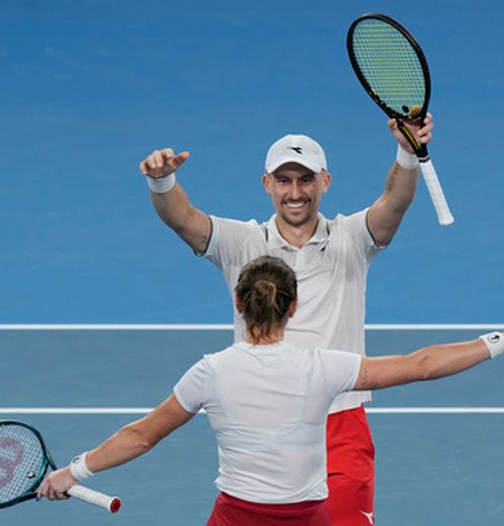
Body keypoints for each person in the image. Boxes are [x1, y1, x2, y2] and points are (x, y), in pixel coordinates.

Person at [37, 255, 504, 525]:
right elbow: (419, 365)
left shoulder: (210, 372)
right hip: (308, 520)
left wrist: (72, 471)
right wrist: (501, 341)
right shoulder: (321, 368)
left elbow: (142, 435)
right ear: (293, 308)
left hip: (237, 520)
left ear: (239, 305)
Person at [138, 116, 432, 525]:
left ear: (325, 182)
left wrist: (406, 152)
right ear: (267, 185)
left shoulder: (352, 237)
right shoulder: (242, 241)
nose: (295, 192)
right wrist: (162, 182)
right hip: (267, 424)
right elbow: (183, 219)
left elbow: (395, 202)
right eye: (284, 181)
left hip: (340, 422)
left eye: (305, 180)